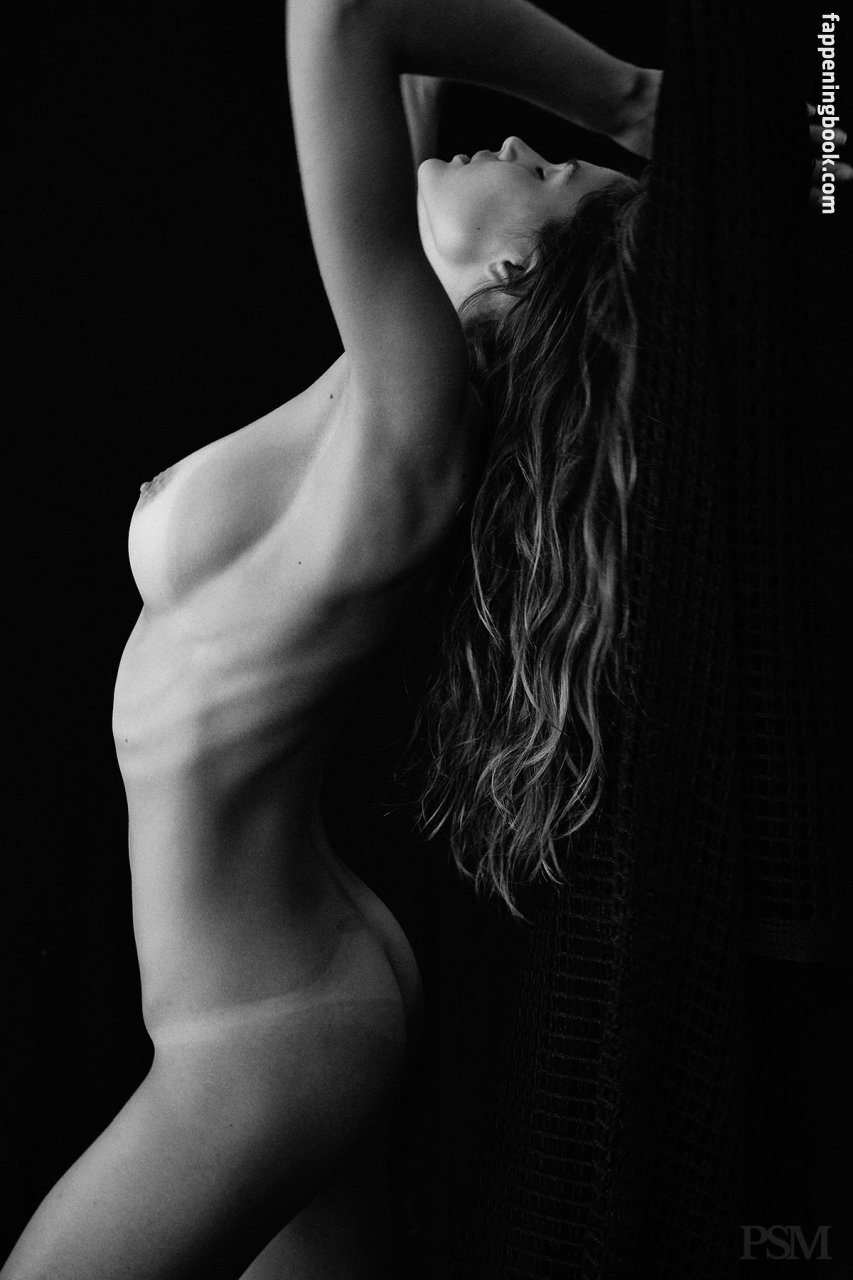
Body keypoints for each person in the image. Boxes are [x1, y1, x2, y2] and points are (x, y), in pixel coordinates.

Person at [0, 1, 660, 1276]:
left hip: (260, 1029)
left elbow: (342, 20)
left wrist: (630, 102)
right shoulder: (398, 382)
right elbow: (389, 40)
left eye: (545, 173)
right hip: (290, 990)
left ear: (520, 274)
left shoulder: (416, 414)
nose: (518, 143)